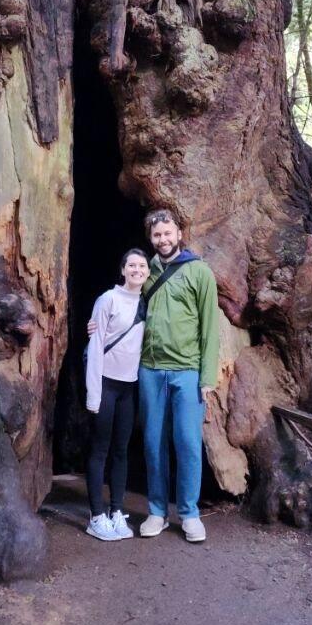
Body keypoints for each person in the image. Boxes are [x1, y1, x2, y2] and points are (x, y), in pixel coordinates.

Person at [101, 208, 221, 543]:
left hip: (187, 371)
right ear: (150, 238)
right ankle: (157, 511)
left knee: (187, 443)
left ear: (179, 233)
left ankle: (189, 514)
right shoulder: (145, 271)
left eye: (168, 233)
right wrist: (97, 325)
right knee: (153, 443)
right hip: (151, 370)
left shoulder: (199, 272)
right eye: (156, 235)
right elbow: (122, 306)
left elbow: (211, 327)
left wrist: (207, 376)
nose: (163, 239)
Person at [83, 248, 150, 541]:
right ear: (123, 270)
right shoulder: (108, 299)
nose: (137, 269)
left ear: (148, 272)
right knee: (100, 449)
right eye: (132, 265)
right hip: (106, 383)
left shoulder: (147, 303)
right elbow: (96, 347)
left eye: (142, 265)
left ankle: (116, 512)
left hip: (129, 386)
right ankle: (96, 516)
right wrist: (93, 395)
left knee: (121, 451)